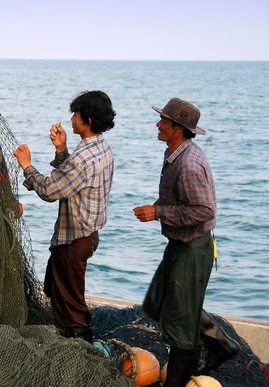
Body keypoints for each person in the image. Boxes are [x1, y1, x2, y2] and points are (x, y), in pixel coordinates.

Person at [133, 98, 240, 386]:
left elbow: (205, 210)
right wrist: (157, 207)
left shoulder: (189, 164)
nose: (158, 124)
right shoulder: (176, 154)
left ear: (178, 128)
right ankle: (219, 344)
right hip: (179, 245)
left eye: (163, 121)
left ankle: (179, 377)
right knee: (157, 304)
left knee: (181, 323)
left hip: (193, 248)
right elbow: (181, 199)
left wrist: (158, 212)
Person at [13, 90, 115, 343]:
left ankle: (79, 351)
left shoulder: (83, 158)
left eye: (76, 114)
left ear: (87, 120)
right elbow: (73, 177)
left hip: (73, 241)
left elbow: (50, 190)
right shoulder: (101, 148)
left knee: (71, 309)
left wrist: (26, 165)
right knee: (57, 291)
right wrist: (61, 149)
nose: (71, 118)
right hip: (86, 236)